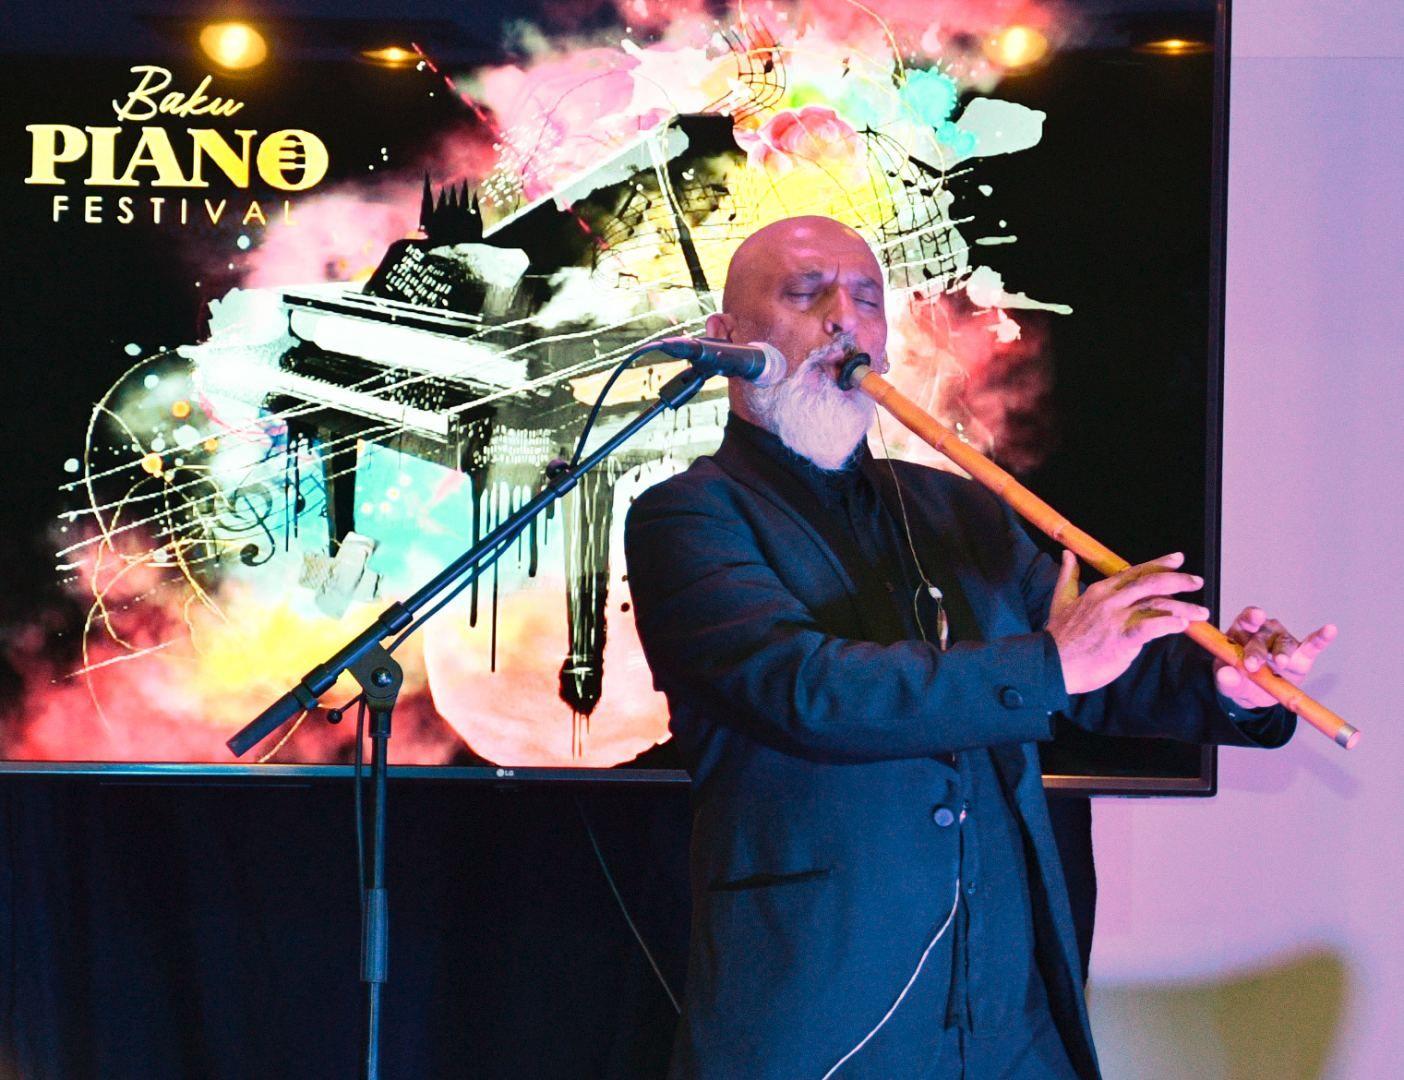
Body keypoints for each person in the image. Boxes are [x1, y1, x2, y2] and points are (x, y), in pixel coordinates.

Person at [622, 216, 1334, 1079]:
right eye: (806, 293)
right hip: (822, 1002)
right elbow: (803, 689)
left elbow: (1096, 672)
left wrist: (1228, 685)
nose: (844, 318)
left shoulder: (958, 505)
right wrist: (1052, 662)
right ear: (728, 338)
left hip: (1009, 1002)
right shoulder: (687, 516)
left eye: (868, 299)